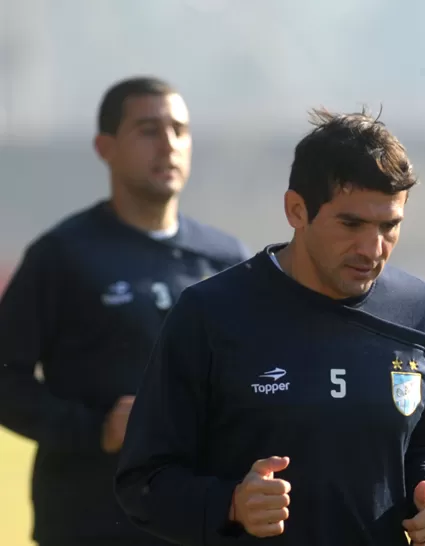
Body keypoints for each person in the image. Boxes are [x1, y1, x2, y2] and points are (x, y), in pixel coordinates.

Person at [114, 108, 425, 546]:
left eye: (389, 226)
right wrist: (232, 504)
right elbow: (143, 482)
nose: (373, 248)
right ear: (296, 210)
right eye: (351, 224)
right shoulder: (210, 314)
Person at [0, 76, 248, 546]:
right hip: (88, 522)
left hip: (199, 520)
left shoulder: (227, 258)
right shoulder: (62, 255)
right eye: (148, 130)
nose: (169, 144)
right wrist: (95, 430)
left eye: (179, 129)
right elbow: (5, 380)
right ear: (105, 146)